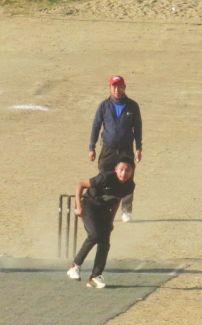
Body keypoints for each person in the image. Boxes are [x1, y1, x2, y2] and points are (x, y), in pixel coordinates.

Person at [66, 159, 135, 289]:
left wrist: (110, 221)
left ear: (132, 172)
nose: (124, 173)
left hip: (105, 212)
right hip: (89, 205)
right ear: (116, 170)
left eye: (128, 170)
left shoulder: (129, 186)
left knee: (104, 242)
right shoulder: (105, 177)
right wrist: (78, 206)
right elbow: (80, 184)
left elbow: (116, 201)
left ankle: (95, 276)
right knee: (95, 234)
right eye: (122, 169)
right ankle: (74, 266)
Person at [88, 75, 142, 222]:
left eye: (120, 86)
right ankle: (102, 208)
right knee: (104, 177)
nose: (117, 89)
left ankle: (126, 210)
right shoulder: (104, 106)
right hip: (108, 149)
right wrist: (91, 147)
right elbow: (96, 126)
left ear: (124, 87)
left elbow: (137, 127)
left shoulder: (132, 106)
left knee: (127, 178)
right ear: (110, 88)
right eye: (114, 86)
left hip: (125, 149)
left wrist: (139, 147)